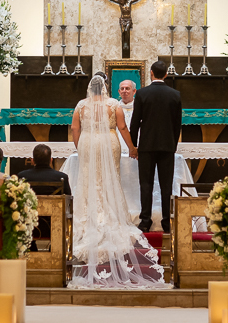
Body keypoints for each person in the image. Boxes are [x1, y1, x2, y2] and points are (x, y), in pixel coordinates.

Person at [68, 75, 166, 288]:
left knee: (88, 181)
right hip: (108, 141)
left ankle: (87, 217)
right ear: (104, 88)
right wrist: (132, 147)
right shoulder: (113, 105)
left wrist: (79, 146)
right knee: (109, 179)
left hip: (87, 143)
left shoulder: (80, 105)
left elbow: (75, 129)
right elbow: (122, 128)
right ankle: (110, 214)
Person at [130, 60, 182, 234]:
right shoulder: (175, 95)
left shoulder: (142, 94)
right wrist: (172, 146)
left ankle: (145, 220)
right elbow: (177, 124)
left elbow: (135, 122)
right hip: (167, 146)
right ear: (166, 74)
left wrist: (133, 145)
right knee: (166, 185)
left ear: (151, 73)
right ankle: (167, 221)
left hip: (146, 146)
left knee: (146, 184)